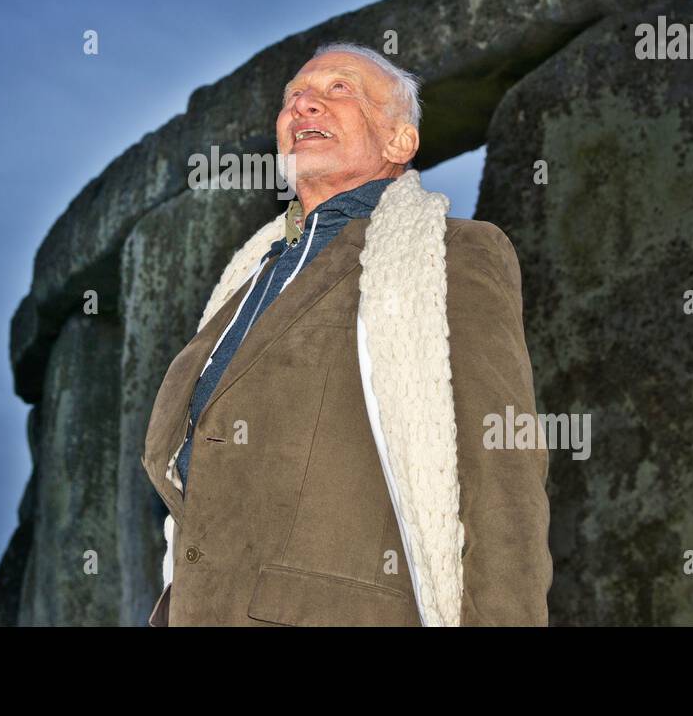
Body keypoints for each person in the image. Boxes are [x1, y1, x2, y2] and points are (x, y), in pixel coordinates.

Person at [141, 41, 552, 626]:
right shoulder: (245, 283)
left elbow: (502, 476)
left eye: (340, 90)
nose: (306, 105)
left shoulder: (454, 253)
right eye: (295, 97)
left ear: (399, 141)